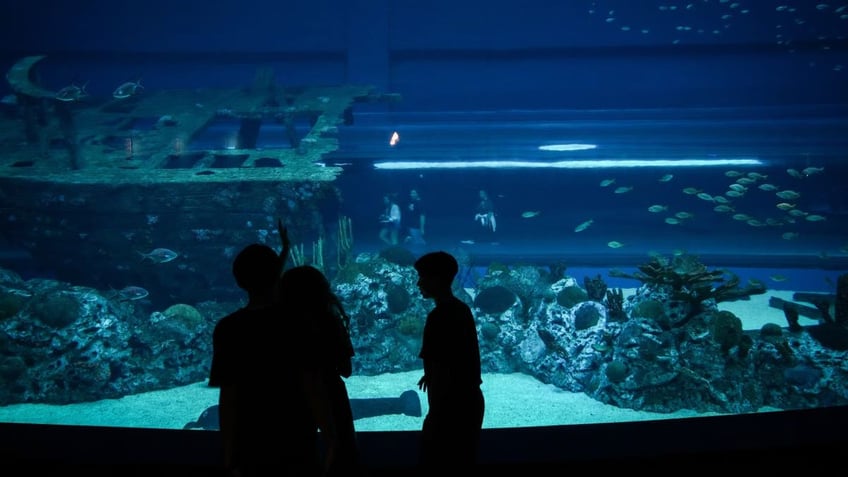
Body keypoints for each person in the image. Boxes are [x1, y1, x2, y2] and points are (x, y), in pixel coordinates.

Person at [208, 242, 322, 476]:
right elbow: (310, 382)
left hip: (249, 436)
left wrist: (228, 453)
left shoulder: (228, 328)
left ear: (238, 280)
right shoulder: (297, 323)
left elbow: (228, 394)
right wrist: (331, 436)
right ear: (278, 276)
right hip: (296, 432)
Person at [277, 264, 363, 476]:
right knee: (342, 454)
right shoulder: (330, 321)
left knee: (294, 455)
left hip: (288, 395)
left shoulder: (276, 324)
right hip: (331, 391)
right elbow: (346, 369)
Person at [413, 251, 485, 470]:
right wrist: (430, 374)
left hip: (450, 408)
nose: (419, 283)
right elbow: (461, 357)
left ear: (437, 279)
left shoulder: (439, 316)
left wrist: (436, 412)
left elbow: (442, 363)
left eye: (423, 277)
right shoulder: (462, 310)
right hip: (469, 402)